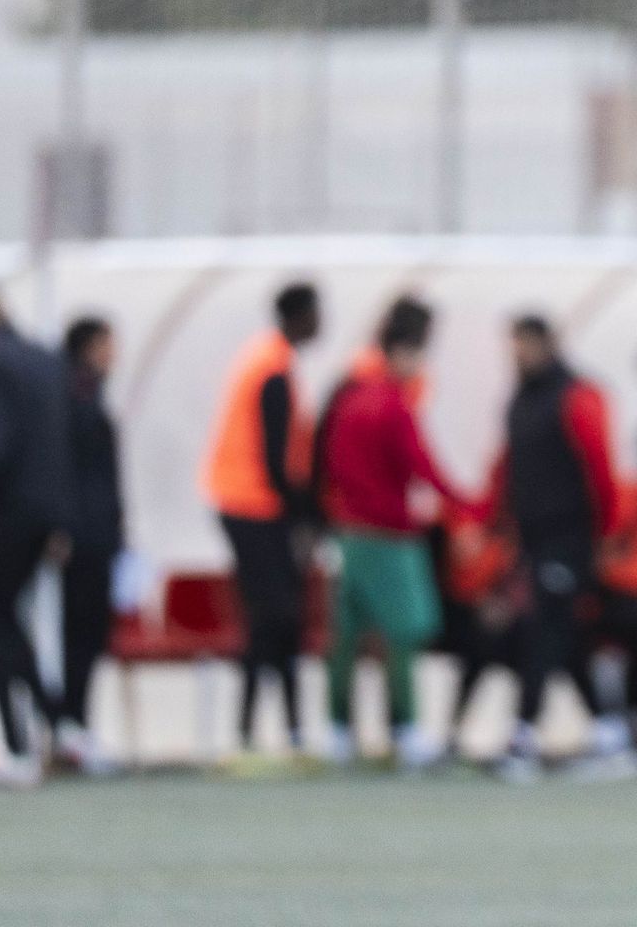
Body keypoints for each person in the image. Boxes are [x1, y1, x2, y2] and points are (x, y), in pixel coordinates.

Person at [319, 298, 475, 770]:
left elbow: (329, 465)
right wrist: (467, 508)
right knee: (405, 632)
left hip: (348, 531)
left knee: (346, 634)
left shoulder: (347, 395)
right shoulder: (391, 403)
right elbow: (421, 465)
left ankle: (338, 731)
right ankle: (405, 729)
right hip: (389, 535)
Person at [497, 314, 637, 779]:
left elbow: (601, 467)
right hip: (534, 542)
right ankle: (610, 735)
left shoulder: (576, 396)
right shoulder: (520, 400)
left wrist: (608, 535)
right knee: (566, 635)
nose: (518, 356)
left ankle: (522, 736)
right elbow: (507, 469)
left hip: (569, 538)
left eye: (524, 346)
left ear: (546, 344)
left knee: (544, 631)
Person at [0, 289, 74, 785]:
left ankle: (18, 745)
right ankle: (55, 721)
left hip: (10, 512)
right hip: (47, 511)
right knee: (5, 618)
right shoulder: (46, 361)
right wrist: (62, 518)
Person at [203, 283, 320, 754]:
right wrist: (303, 514)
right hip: (251, 506)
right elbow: (276, 457)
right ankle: (252, 731)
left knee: (278, 618)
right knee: (274, 615)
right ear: (299, 316)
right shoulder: (272, 369)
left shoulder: (270, 361)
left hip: (254, 505)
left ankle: (276, 730)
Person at [56, 316, 124, 774]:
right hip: (83, 534)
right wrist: (62, 526)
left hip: (99, 532)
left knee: (90, 633)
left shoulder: (90, 392)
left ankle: (75, 724)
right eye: (106, 344)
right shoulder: (73, 396)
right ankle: (68, 725)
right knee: (79, 633)